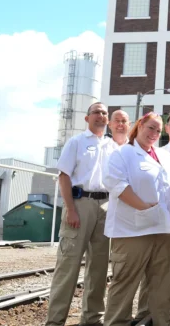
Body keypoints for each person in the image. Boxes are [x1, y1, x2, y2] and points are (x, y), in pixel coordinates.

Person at [103, 112, 170, 326]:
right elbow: (117, 185)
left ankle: (164, 322)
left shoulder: (164, 156)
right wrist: (145, 208)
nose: (154, 133)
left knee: (162, 283)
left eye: (158, 130)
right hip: (132, 231)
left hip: (162, 229)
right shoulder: (123, 154)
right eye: (150, 127)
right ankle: (116, 322)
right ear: (140, 125)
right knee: (125, 282)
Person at [45, 102, 112, 326]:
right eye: (96, 112)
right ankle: (55, 321)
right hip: (80, 204)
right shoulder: (76, 142)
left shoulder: (112, 146)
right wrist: (71, 209)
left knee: (99, 268)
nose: (101, 116)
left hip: (105, 206)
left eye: (104, 113)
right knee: (68, 265)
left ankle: (92, 319)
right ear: (87, 118)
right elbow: (64, 176)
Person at [135, 111, 170, 323]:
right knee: (154, 271)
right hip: (160, 221)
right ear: (166, 128)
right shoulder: (156, 152)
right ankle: (145, 314)